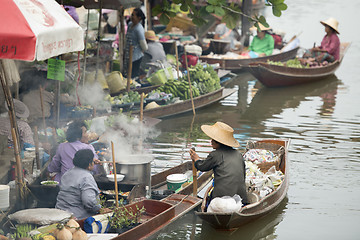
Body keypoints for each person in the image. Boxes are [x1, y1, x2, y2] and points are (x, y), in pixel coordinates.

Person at [189, 122, 248, 207]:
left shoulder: (215, 155)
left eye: (213, 140)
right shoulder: (238, 154)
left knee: (209, 199)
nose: (211, 141)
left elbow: (202, 167)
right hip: (241, 199)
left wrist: (196, 159)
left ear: (219, 142)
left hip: (222, 199)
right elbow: (243, 175)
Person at [56, 149, 108, 219]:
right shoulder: (86, 177)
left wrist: (90, 163)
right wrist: (101, 210)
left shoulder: (68, 173)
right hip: (76, 217)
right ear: (89, 164)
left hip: (60, 213)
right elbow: (89, 202)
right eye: (92, 161)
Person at [124, 8, 148, 78]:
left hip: (135, 57)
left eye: (133, 15)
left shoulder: (139, 29)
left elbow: (144, 46)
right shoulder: (130, 24)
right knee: (128, 75)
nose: (131, 17)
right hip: (128, 55)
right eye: (131, 15)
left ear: (139, 18)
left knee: (133, 76)